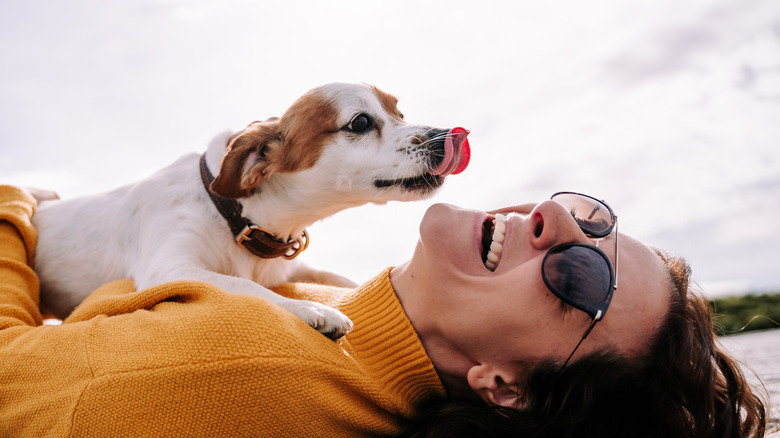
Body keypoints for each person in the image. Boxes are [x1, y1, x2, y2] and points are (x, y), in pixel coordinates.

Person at [0, 185, 767, 437]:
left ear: (503, 386)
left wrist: (20, 206)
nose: (555, 222)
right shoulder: (352, 319)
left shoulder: (237, 369)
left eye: (575, 278)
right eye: (592, 218)